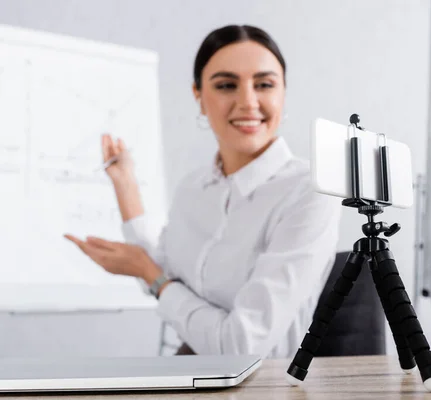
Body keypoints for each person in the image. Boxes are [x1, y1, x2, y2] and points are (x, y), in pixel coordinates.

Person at [64, 25, 341, 358]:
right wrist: (125, 184)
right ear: (198, 96)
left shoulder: (309, 191)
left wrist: (151, 275)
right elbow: (160, 276)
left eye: (264, 84)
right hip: (189, 370)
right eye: (226, 85)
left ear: (283, 92)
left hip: (264, 386)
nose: (248, 102)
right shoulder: (193, 189)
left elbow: (241, 346)